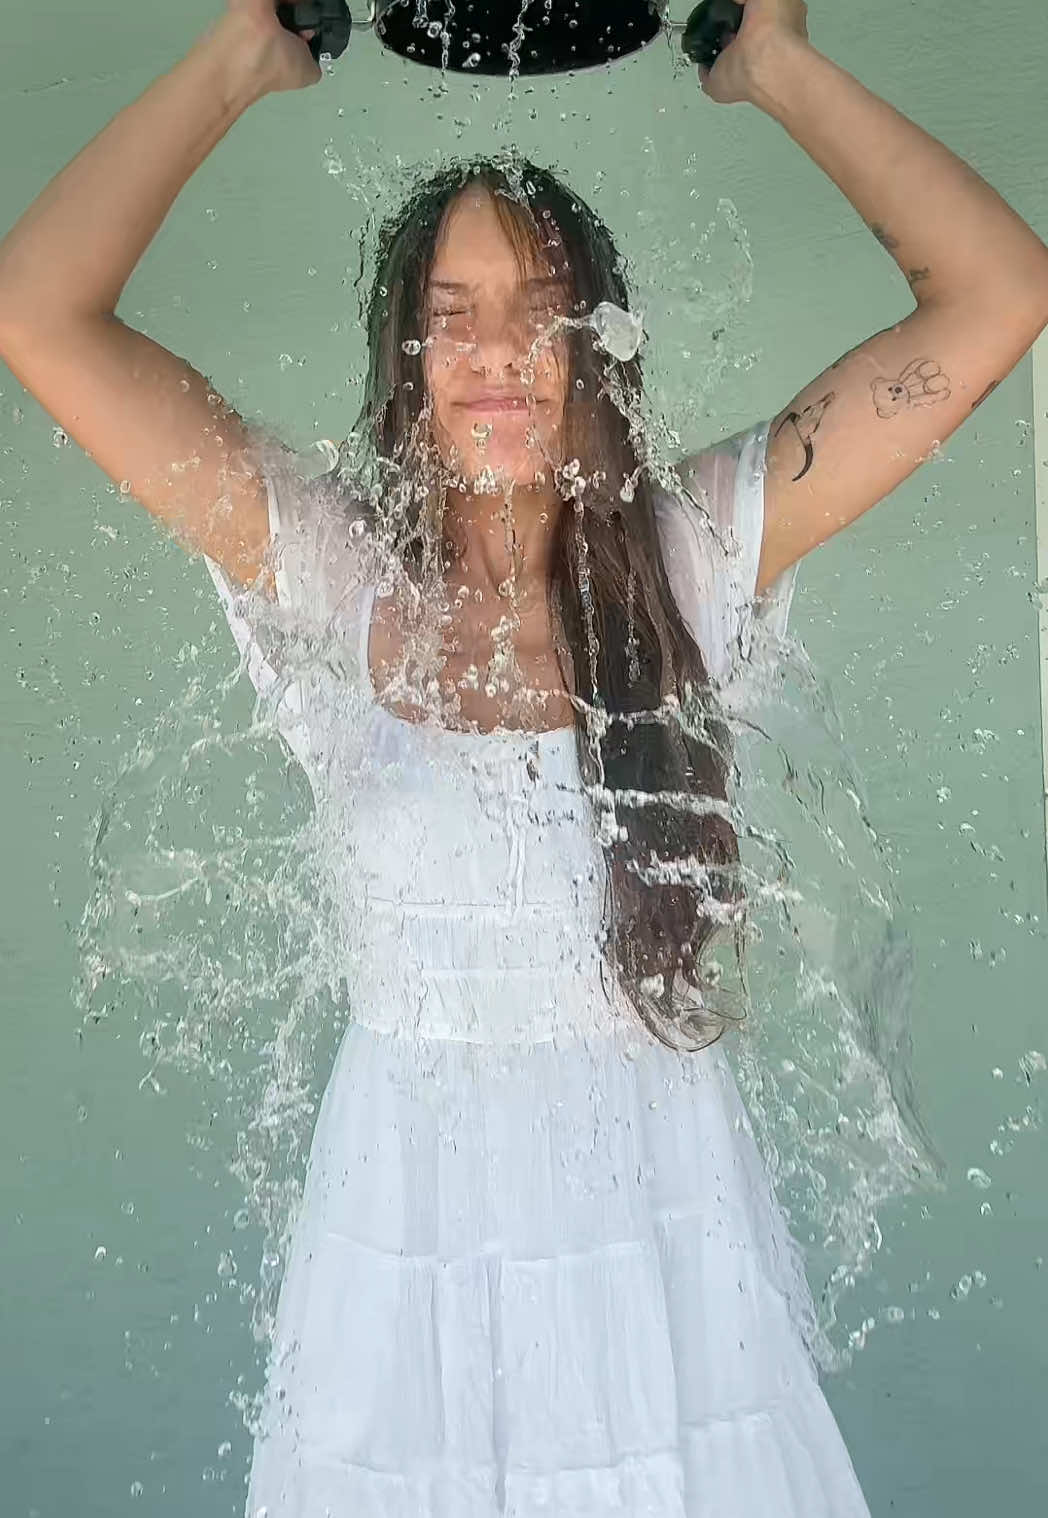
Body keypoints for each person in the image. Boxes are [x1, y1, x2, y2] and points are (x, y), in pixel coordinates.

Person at [1, 2, 1045, 1513]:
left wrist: (779, 69)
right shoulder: (333, 574)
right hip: (400, 1250)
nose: (499, 350)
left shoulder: (688, 560)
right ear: (406, 348)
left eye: (543, 305)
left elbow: (999, 291)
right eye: (454, 309)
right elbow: (37, 311)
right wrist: (239, 54)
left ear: (595, 341)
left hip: (664, 1237)